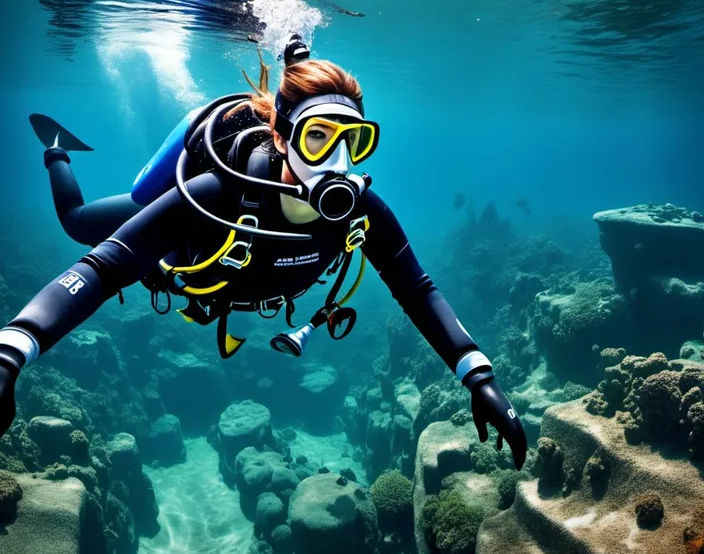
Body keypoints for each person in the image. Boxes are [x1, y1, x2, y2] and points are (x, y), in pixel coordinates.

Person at [0, 36, 527, 469]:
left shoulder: (361, 210)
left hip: (235, 278)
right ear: (280, 134)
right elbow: (104, 266)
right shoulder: (215, 195)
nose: (337, 164)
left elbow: (417, 288)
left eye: (354, 142)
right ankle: (57, 150)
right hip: (186, 235)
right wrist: (11, 350)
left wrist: (478, 377)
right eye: (319, 138)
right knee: (78, 224)